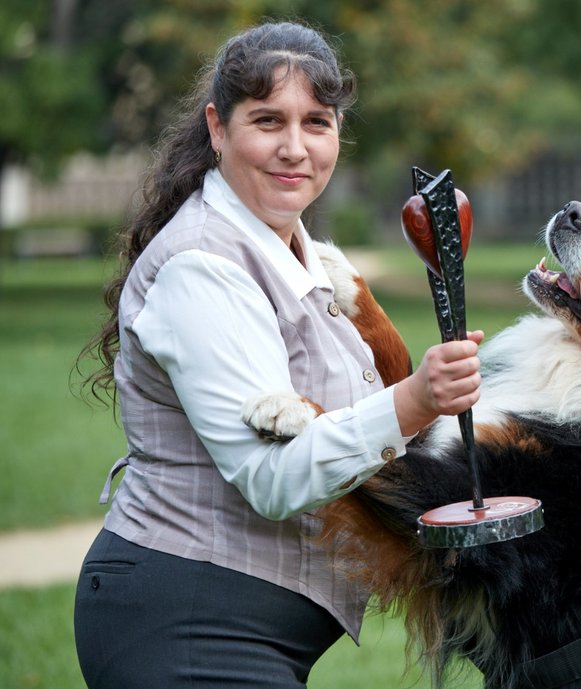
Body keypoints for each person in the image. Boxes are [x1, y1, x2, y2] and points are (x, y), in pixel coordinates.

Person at [74, 21, 483, 688]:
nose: (295, 148)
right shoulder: (202, 266)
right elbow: (274, 480)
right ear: (217, 126)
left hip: (235, 624)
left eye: (316, 123)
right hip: (186, 623)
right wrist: (416, 399)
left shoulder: (290, 251)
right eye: (268, 120)